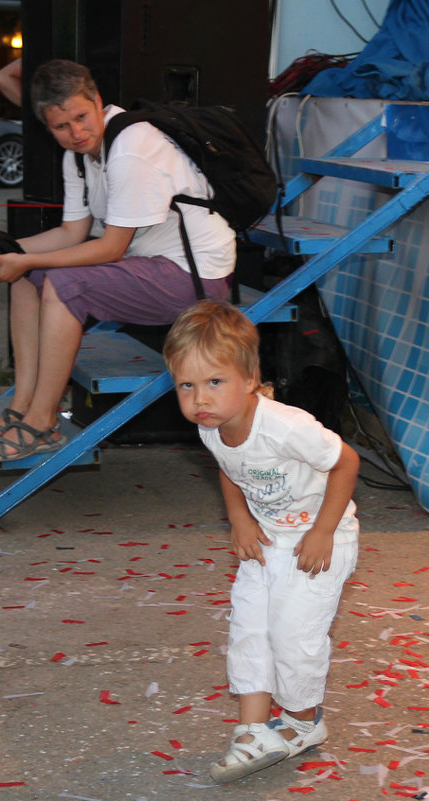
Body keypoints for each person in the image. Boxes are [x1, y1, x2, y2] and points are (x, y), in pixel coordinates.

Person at [0, 59, 235, 461]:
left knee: (64, 285)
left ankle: (43, 422)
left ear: (97, 100)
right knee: (26, 276)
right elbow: (71, 233)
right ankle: (23, 403)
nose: (76, 133)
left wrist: (23, 260)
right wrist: (7, 252)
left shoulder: (131, 146)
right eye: (61, 127)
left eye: (81, 117)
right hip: (146, 264)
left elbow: (111, 247)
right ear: (48, 126)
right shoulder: (77, 155)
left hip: (194, 275)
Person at [162, 300, 360, 784]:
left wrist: (322, 531)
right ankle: (251, 728)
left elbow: (346, 462)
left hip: (321, 539)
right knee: (250, 627)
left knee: (294, 635)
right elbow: (232, 469)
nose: (199, 399)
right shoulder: (213, 426)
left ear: (250, 379)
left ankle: (302, 720)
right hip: (268, 537)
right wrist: (239, 518)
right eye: (186, 385)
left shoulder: (285, 426)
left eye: (214, 382)